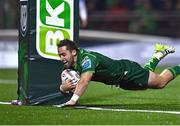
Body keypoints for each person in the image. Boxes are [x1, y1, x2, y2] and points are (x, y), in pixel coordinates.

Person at [57, 39, 180, 107]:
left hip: (127, 72)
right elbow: (65, 87)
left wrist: (73, 100)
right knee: (144, 82)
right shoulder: (69, 67)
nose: (62, 58)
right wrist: (63, 87)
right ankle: (158, 55)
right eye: (60, 55)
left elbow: (84, 81)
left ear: (73, 52)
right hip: (120, 81)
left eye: (64, 54)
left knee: (161, 82)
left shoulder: (87, 59)